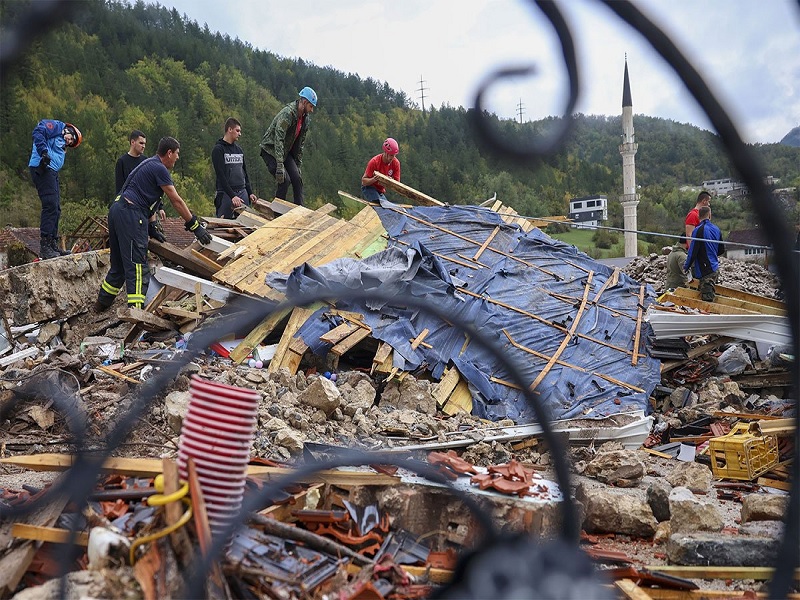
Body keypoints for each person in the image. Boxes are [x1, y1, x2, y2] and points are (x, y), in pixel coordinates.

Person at [96, 137, 212, 311]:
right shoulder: (160, 169)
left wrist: (152, 225)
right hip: (130, 214)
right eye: (177, 153)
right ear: (169, 153)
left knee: (119, 266)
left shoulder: (148, 164)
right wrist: (194, 225)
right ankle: (135, 312)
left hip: (117, 211)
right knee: (137, 266)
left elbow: (148, 200)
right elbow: (176, 200)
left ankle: (100, 305)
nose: (178, 158)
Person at [28, 119, 82, 259]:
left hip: (52, 172)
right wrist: (44, 152)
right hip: (43, 167)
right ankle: (45, 245)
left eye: (71, 143)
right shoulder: (57, 127)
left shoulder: (62, 143)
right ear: (69, 130)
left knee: (56, 208)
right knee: (50, 204)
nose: (69, 142)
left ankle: (52, 243)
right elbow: (38, 132)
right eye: (72, 138)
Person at [260, 86, 317, 206]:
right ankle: (277, 212)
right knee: (284, 180)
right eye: (311, 106)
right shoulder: (288, 114)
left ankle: (299, 210)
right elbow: (278, 138)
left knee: (297, 179)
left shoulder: (305, 120)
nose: (312, 110)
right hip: (270, 150)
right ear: (304, 102)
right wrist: (280, 164)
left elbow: (300, 144)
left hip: (285, 151)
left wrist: (298, 165)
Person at [212, 117, 257, 218]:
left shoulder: (239, 150)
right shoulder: (218, 150)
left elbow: (244, 173)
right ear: (229, 129)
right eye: (237, 130)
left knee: (245, 223)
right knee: (223, 224)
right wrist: (232, 196)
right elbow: (221, 175)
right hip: (225, 194)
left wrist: (250, 192)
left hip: (242, 192)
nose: (239, 134)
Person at [684, 206, 724, 302]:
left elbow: (692, 252)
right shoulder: (716, 229)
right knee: (712, 294)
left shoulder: (698, 230)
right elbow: (721, 249)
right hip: (715, 268)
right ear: (709, 215)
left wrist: (686, 267)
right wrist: (712, 253)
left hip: (704, 270)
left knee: (706, 300)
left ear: (698, 216)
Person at [361, 138, 401, 202]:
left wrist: (390, 181)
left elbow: (397, 184)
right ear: (385, 152)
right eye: (391, 155)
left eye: (394, 155)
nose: (392, 158)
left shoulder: (396, 163)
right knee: (379, 202)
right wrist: (374, 179)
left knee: (387, 206)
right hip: (369, 187)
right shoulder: (374, 162)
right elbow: (364, 181)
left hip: (380, 191)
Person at [115, 130, 147, 194]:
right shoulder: (122, 162)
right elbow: (119, 188)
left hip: (143, 198)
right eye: (141, 143)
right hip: (127, 198)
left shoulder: (145, 161)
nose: (143, 146)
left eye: (144, 144)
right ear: (133, 142)